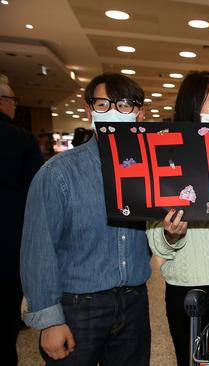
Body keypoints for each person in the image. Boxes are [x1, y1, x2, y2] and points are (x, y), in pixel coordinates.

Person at [20, 73, 151, 365]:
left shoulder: (149, 171)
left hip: (134, 303)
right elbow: (38, 251)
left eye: (125, 105)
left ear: (140, 113)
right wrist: (49, 321)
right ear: (89, 110)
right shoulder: (58, 173)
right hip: (79, 307)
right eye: (104, 104)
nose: (115, 112)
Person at [147, 71, 209, 365]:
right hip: (186, 284)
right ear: (192, 108)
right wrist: (170, 234)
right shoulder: (167, 158)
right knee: (187, 358)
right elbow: (156, 242)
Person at [0, 75, 44, 365]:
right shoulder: (19, 139)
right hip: (7, 243)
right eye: (13, 100)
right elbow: (38, 196)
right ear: (4, 103)